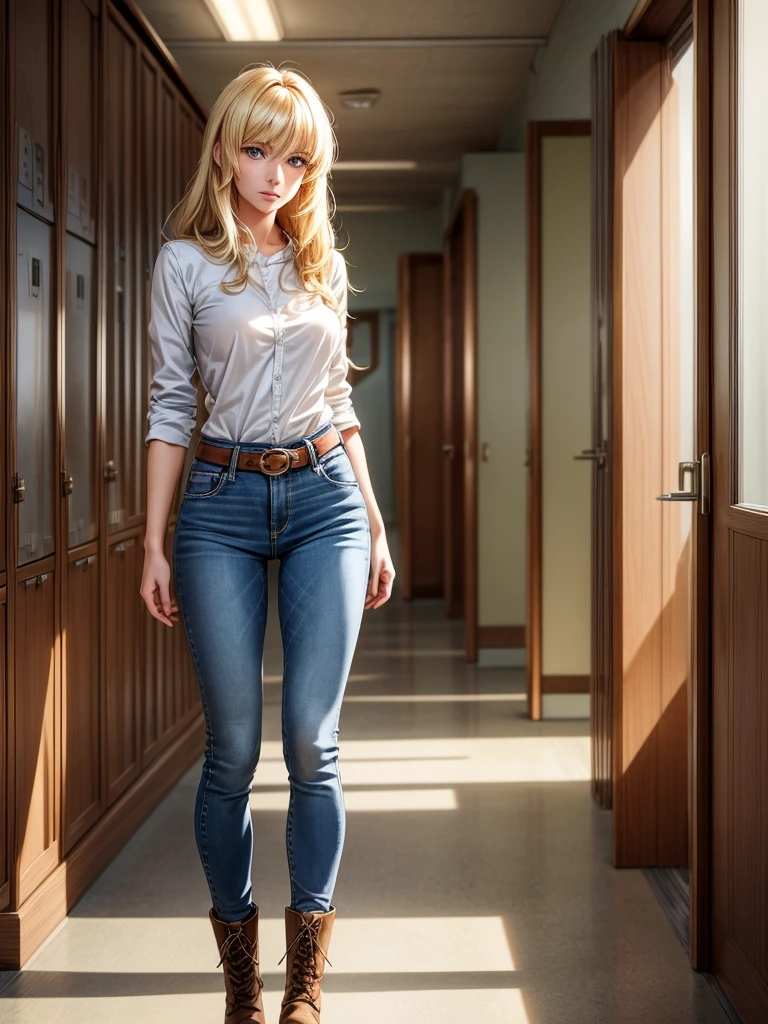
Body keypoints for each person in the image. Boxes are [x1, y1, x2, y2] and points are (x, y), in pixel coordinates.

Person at [139, 63, 395, 1024]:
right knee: (235, 749)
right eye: (256, 150)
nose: (274, 173)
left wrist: (372, 519)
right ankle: (243, 981)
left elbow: (338, 400)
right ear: (223, 150)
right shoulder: (186, 265)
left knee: (313, 746)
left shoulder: (321, 262)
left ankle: (307, 986)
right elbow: (169, 403)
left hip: (325, 492)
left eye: (294, 157)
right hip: (220, 501)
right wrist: (154, 544)